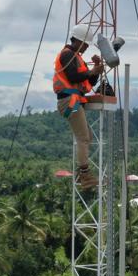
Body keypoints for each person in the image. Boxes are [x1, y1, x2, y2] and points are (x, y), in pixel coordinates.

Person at [53, 24, 105, 190]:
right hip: (69, 101)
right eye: (85, 44)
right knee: (83, 138)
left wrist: (95, 71)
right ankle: (85, 174)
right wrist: (92, 71)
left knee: (87, 137)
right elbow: (73, 75)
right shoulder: (67, 54)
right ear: (78, 41)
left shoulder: (76, 57)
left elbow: (88, 83)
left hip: (73, 100)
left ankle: (81, 173)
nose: (86, 47)